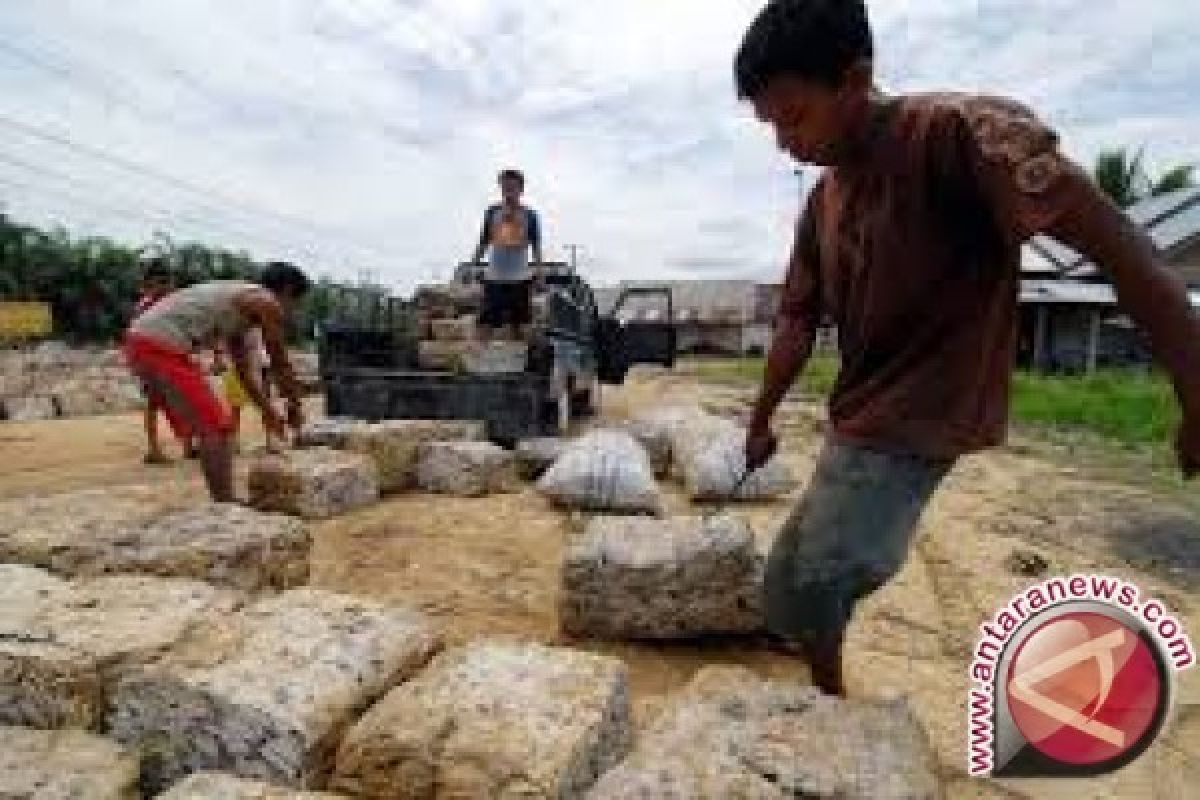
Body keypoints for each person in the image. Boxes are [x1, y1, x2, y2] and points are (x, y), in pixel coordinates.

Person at [734, 0, 1200, 697]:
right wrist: (761, 419)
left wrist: (1195, 396)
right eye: (771, 126)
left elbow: (1127, 254)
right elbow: (797, 319)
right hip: (858, 414)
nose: (784, 145)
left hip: (922, 414)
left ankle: (826, 713)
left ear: (856, 80)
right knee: (795, 581)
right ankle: (824, 692)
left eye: (794, 117)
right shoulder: (823, 202)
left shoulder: (959, 135)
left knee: (810, 583)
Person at [123, 262, 312, 502]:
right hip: (157, 346)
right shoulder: (266, 302)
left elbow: (244, 372)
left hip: (148, 344)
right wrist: (294, 406)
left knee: (215, 426)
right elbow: (280, 362)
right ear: (286, 291)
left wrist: (268, 411)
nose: (293, 311)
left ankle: (224, 501)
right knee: (216, 428)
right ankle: (225, 505)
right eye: (296, 304)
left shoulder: (240, 308)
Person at [470, 168, 544, 341]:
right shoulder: (492, 212)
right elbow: (483, 241)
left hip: (520, 278)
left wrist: (540, 273)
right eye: (504, 187)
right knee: (485, 322)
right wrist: (472, 264)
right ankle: (481, 361)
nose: (508, 192)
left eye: (512, 187)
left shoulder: (530, 215)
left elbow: (536, 246)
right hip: (494, 277)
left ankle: (518, 362)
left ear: (521, 189)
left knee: (520, 324)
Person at [130, 258, 190, 464]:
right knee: (154, 403)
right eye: (161, 282)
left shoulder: (173, 304)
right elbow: (137, 337)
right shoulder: (144, 306)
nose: (167, 287)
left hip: (174, 357)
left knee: (183, 401)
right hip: (152, 361)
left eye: (169, 282)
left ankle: (188, 445)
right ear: (149, 284)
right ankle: (154, 448)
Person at [213, 327, 281, 454]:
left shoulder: (254, 317)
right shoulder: (229, 319)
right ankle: (235, 442)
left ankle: (271, 439)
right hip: (238, 363)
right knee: (236, 407)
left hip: (256, 361)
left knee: (263, 403)